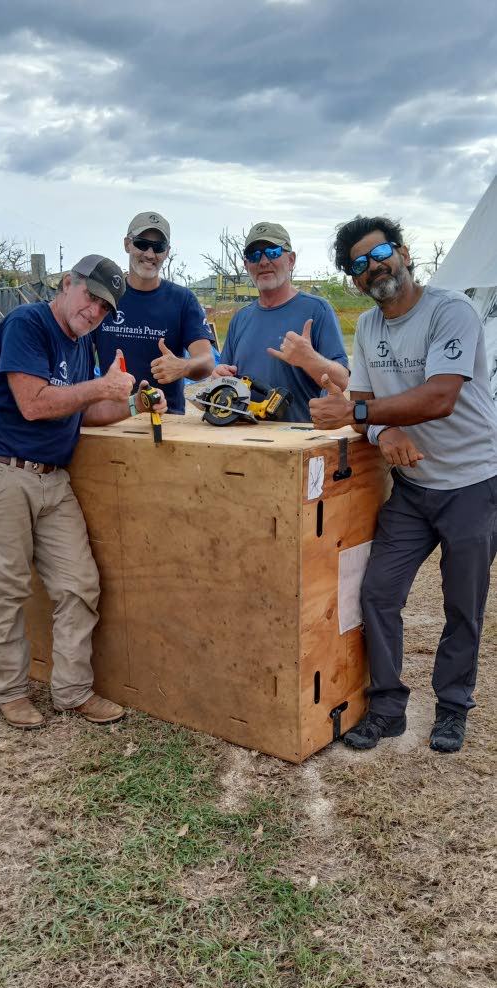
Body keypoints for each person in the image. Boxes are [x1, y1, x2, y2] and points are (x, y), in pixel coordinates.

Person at [308, 215, 497, 753]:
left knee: (463, 605)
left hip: (472, 483)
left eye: (380, 253)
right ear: (355, 282)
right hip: (413, 490)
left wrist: (359, 411)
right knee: (378, 593)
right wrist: (383, 427)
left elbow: (440, 397)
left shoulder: (450, 310)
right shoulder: (368, 328)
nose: (374, 268)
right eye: (360, 266)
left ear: (404, 252)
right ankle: (388, 706)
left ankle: (453, 707)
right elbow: (364, 408)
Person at [0, 254, 167, 731]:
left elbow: (82, 414)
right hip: (1, 471)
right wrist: (101, 386)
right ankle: (10, 692)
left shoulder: (82, 345)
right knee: (8, 590)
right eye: (91, 297)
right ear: (67, 283)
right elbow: (34, 404)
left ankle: (72, 691)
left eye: (104, 307)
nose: (94, 311)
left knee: (80, 584)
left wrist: (133, 403)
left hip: (53, 478)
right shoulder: (26, 324)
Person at [212, 221, 349, 421]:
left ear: (291, 260)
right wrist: (219, 376)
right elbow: (225, 381)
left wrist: (309, 358)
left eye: (273, 252)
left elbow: (341, 381)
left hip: (296, 440)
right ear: (246, 265)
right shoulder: (240, 318)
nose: (264, 261)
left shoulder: (317, 310)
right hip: (242, 440)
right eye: (255, 255)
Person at [93, 211, 215, 412]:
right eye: (141, 244)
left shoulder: (183, 300)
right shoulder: (106, 297)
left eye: (158, 247)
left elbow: (207, 361)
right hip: (111, 419)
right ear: (127, 244)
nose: (150, 254)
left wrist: (182, 367)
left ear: (167, 252)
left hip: (165, 419)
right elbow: (79, 356)